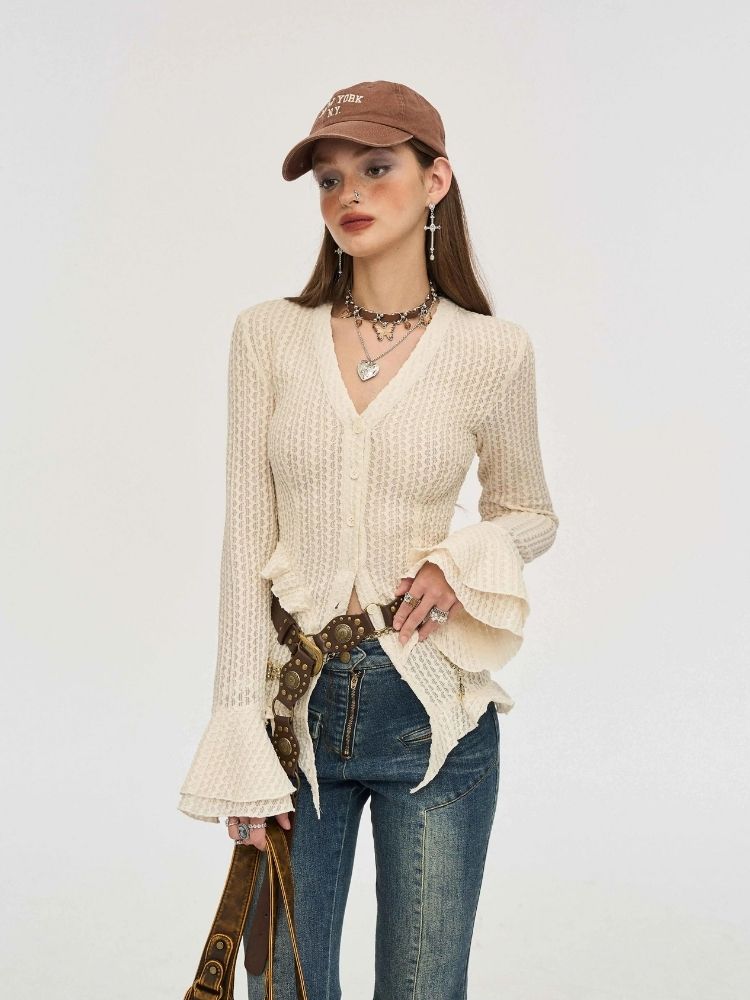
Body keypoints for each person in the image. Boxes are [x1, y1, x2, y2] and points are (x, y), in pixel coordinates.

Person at [178, 80, 559, 1000]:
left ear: (437, 181)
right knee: (283, 988)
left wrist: (459, 563)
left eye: (377, 169)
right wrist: (237, 733)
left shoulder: (493, 350)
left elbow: (530, 510)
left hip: (431, 710)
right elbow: (243, 542)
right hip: (293, 715)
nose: (348, 193)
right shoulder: (267, 337)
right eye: (329, 179)